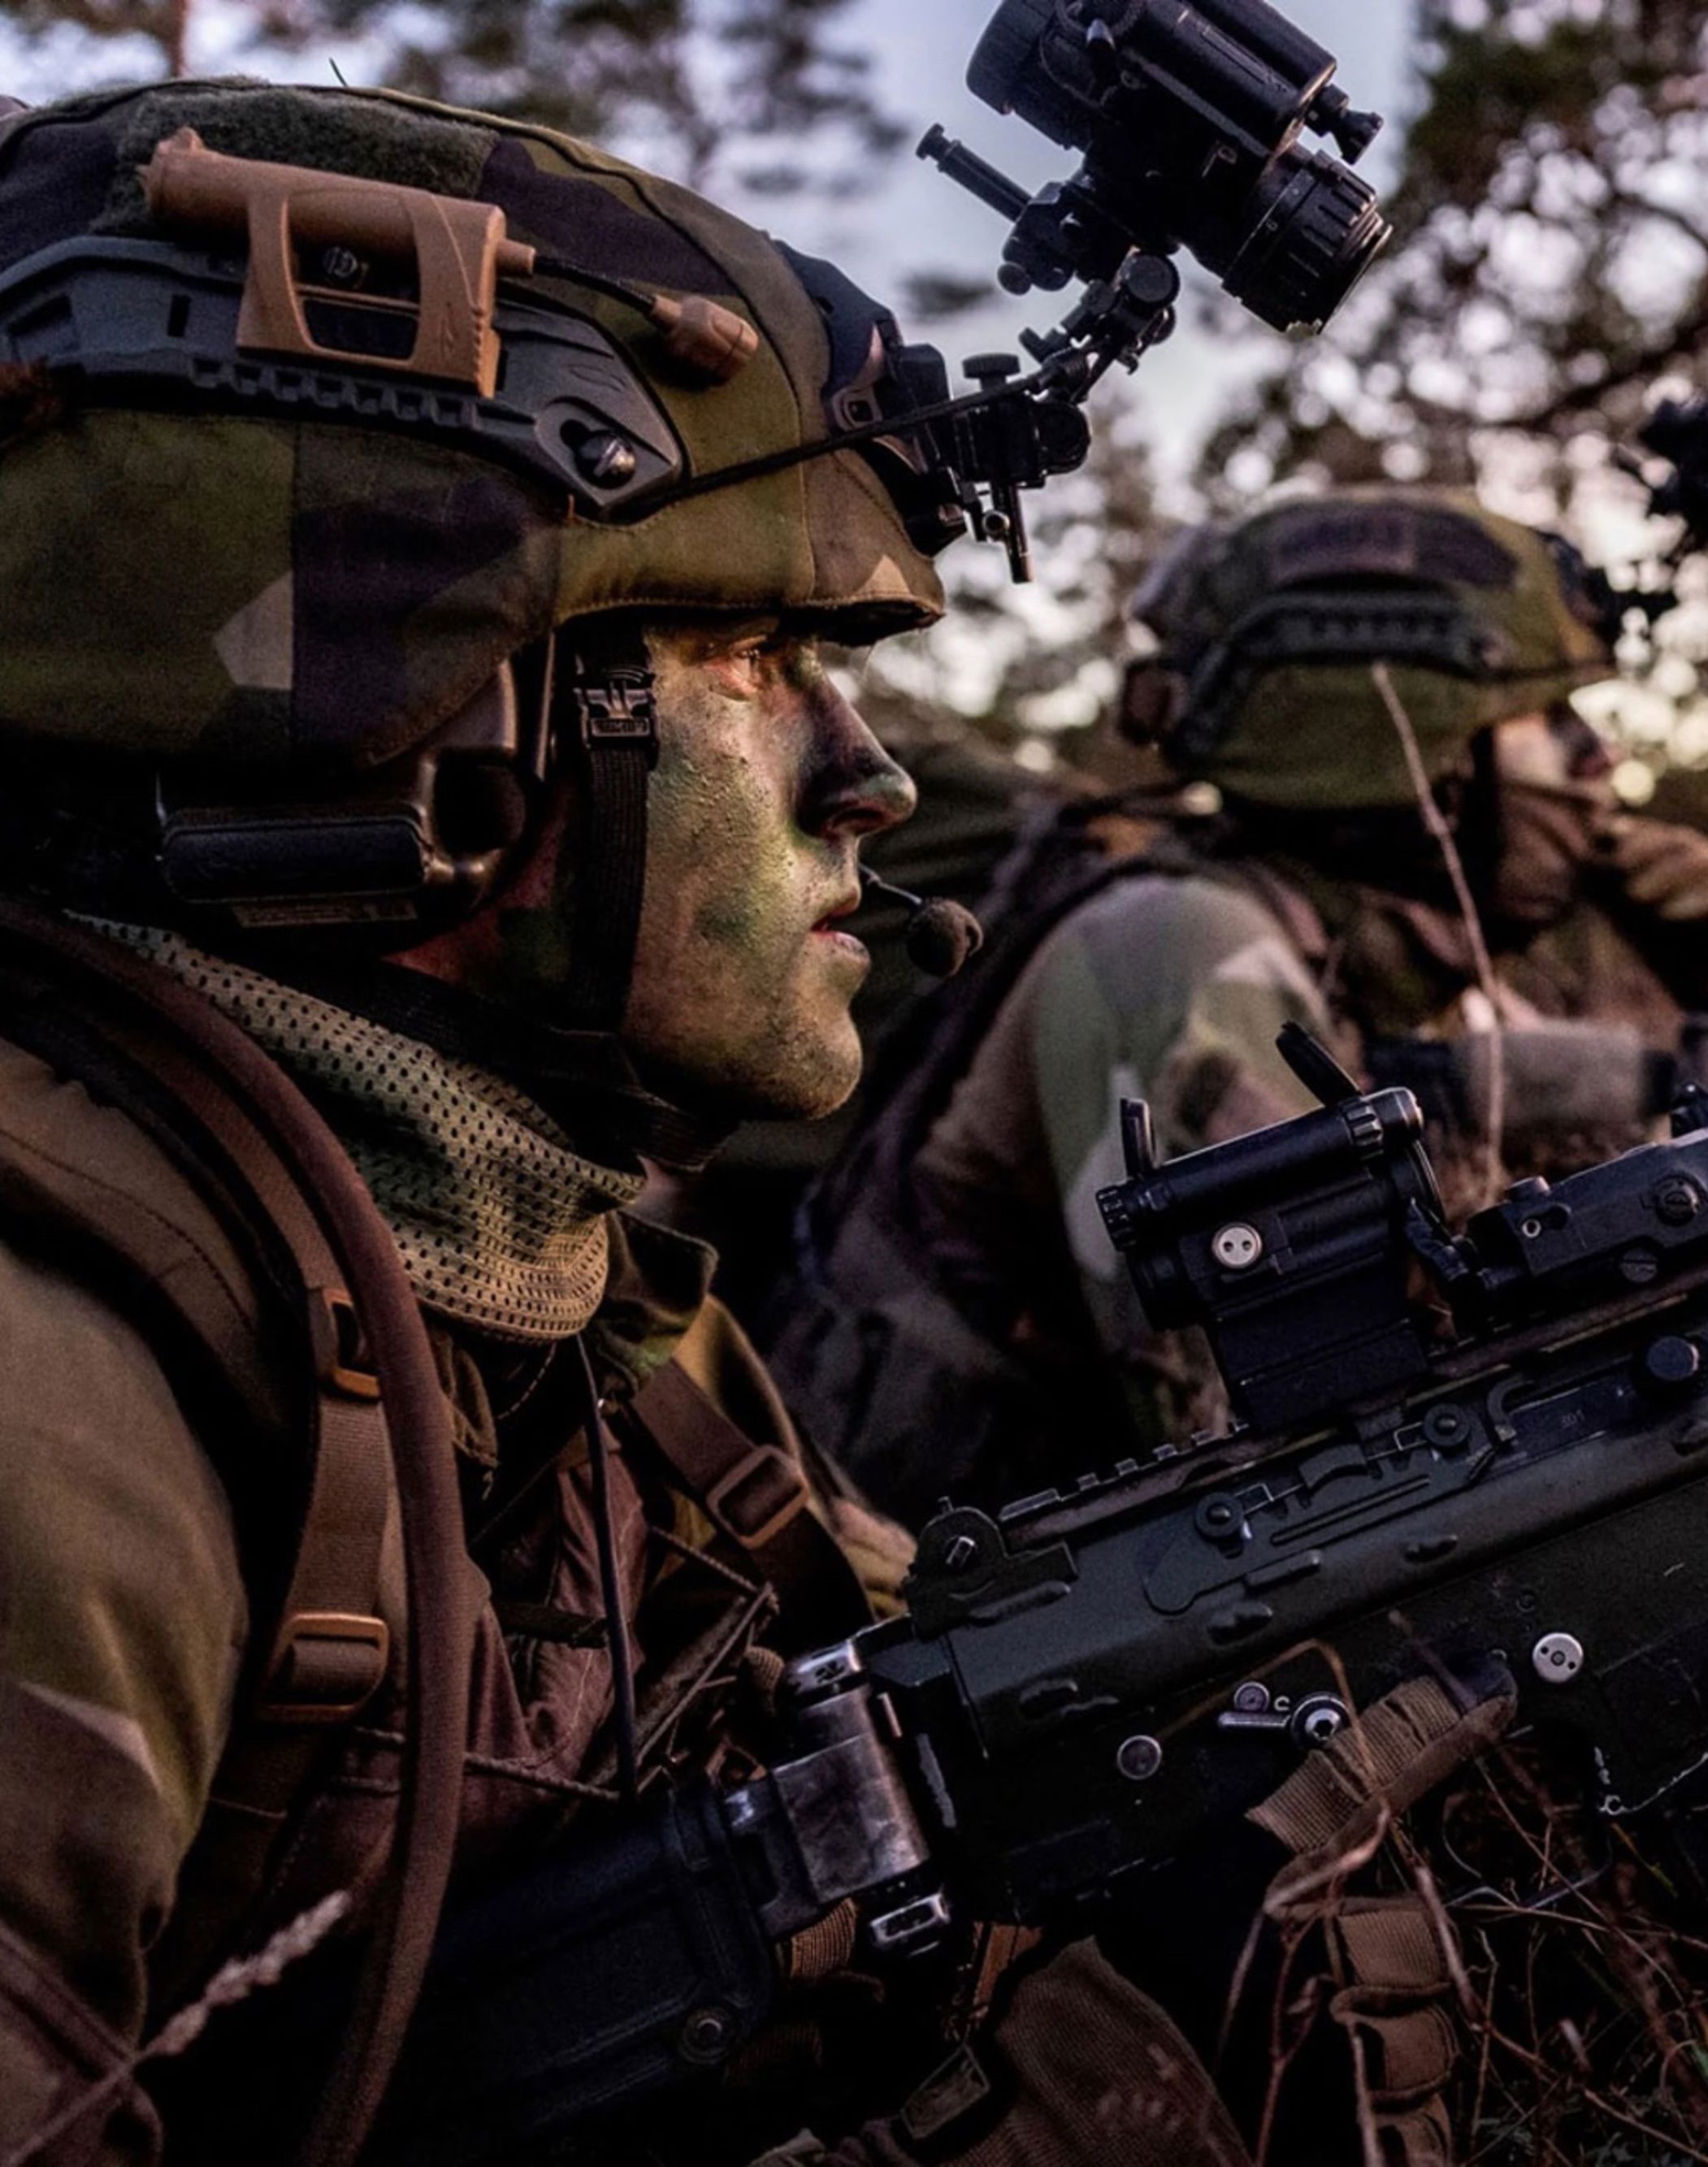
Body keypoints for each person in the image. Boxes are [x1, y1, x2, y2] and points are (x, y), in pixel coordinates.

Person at [0, 80, 1254, 2166]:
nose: (869, 781)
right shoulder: (61, 1417)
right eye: (762, 658)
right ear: (434, 730)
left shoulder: (556, 1280)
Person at [771, 486, 1708, 1508]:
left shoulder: (1346, 946)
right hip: (887, 1607)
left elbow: (1494, 1076)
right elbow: (1302, 1460)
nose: (1597, 760)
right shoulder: (1183, 951)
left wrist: (1705, 1043)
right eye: (1549, 717)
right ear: (1403, 745)